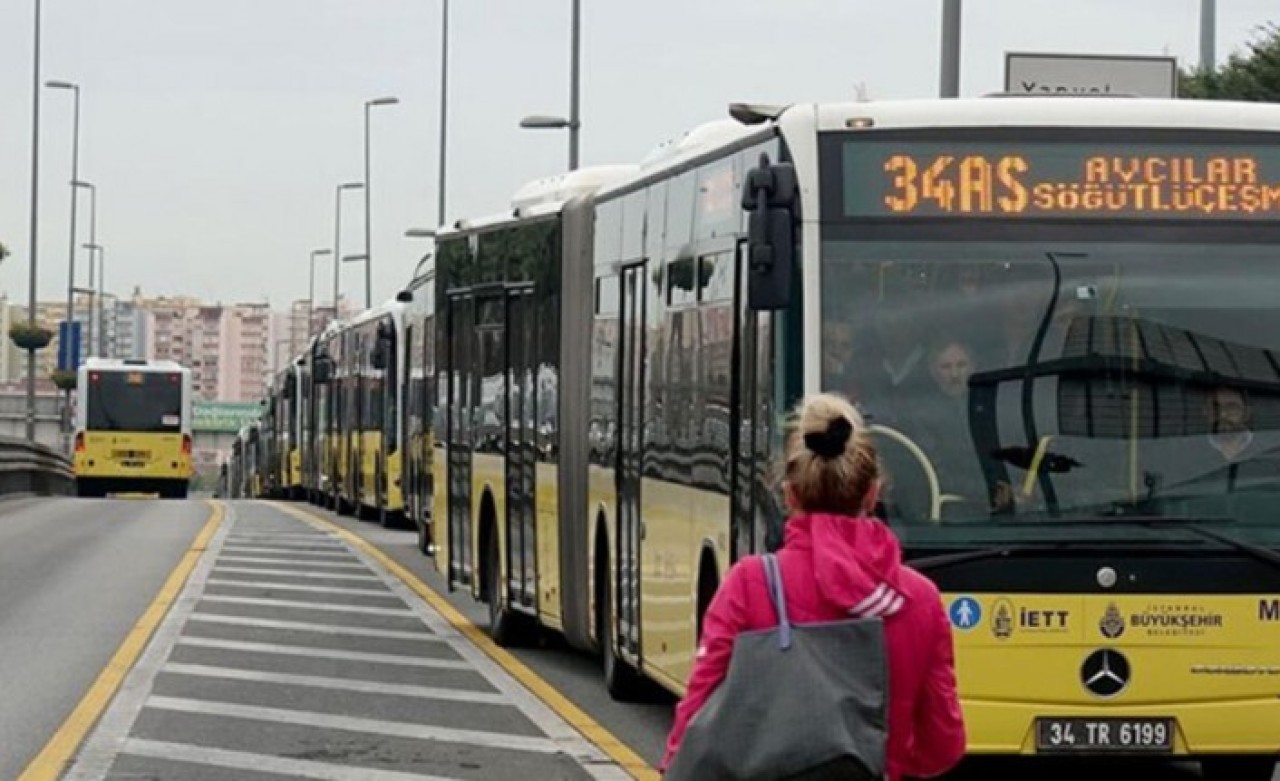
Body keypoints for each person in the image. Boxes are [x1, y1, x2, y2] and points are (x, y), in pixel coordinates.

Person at [661, 393, 966, 780]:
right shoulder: (919, 599)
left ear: (788, 494)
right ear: (873, 493)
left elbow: (696, 715)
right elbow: (942, 745)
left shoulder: (751, 583)